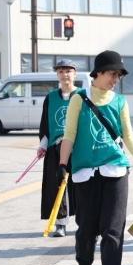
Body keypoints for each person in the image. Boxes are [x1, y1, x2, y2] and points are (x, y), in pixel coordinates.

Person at [59, 51, 133, 265]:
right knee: (87, 228)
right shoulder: (78, 99)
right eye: (113, 73)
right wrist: (62, 164)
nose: (116, 79)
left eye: (119, 75)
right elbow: (69, 134)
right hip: (85, 172)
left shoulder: (119, 101)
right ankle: (84, 260)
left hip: (115, 170)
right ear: (99, 72)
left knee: (113, 228)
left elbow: (128, 135)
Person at [37, 60, 79, 237]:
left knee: (81, 185)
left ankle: (85, 222)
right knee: (57, 185)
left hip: (78, 147)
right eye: (61, 71)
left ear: (74, 74)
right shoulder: (51, 97)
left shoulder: (82, 95)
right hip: (56, 147)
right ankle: (60, 223)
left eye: (68, 71)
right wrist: (43, 145)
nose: (65, 74)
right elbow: (45, 124)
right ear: (57, 75)